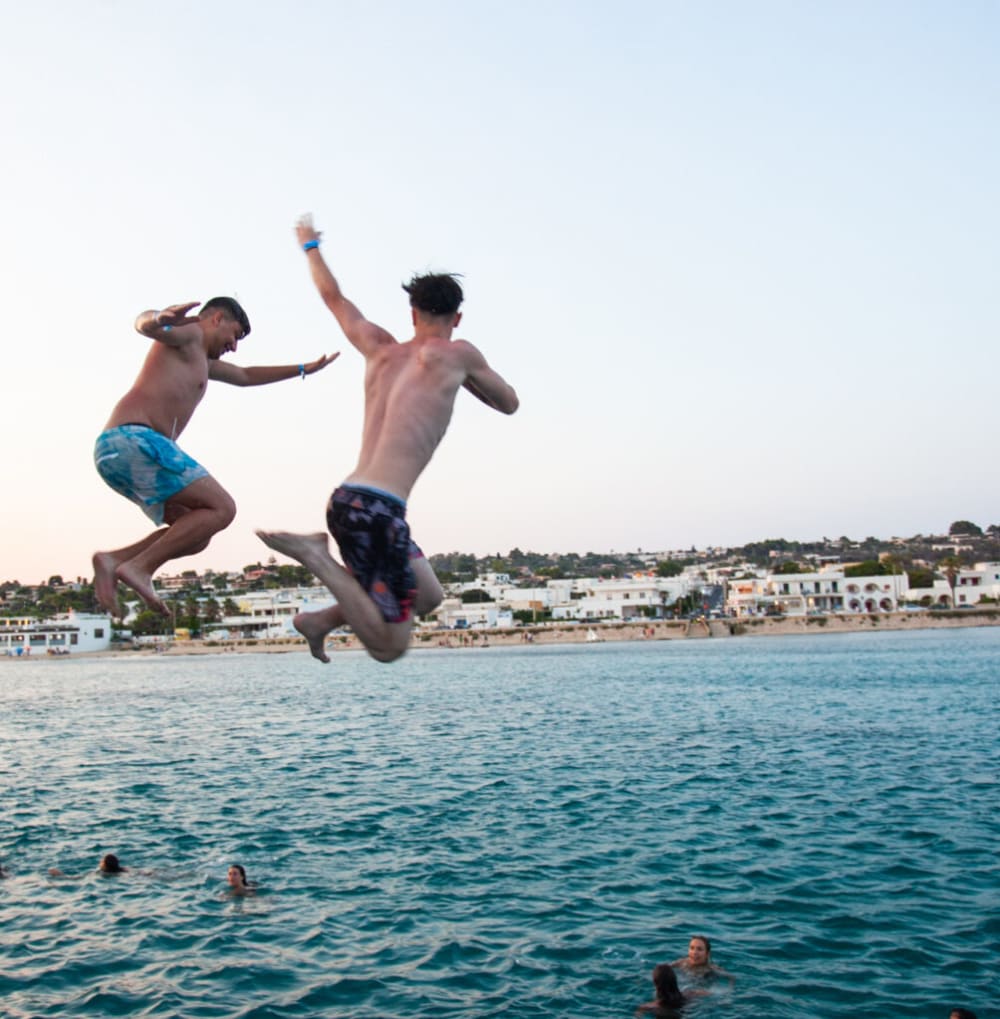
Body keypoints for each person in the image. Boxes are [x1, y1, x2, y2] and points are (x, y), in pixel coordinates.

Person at [257, 215, 519, 664]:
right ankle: (315, 555)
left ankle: (318, 622)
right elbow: (509, 402)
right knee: (389, 649)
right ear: (457, 318)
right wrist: (467, 375)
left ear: (412, 313)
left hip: (351, 499)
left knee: (428, 596)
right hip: (377, 510)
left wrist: (310, 246)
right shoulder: (459, 354)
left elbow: (333, 298)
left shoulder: (378, 346)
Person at [93, 297, 337, 616]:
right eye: (234, 336)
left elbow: (246, 375)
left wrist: (303, 369)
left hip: (116, 453)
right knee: (223, 509)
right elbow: (144, 326)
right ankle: (140, 567)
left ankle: (114, 560)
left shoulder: (203, 362)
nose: (233, 347)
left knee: (197, 535)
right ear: (217, 319)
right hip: (133, 440)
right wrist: (158, 317)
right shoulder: (190, 333)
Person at [636, 963, 703, 1016]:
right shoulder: (689, 994)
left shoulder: (648, 1007)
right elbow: (706, 992)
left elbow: (637, 1016)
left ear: (655, 983)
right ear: (674, 980)